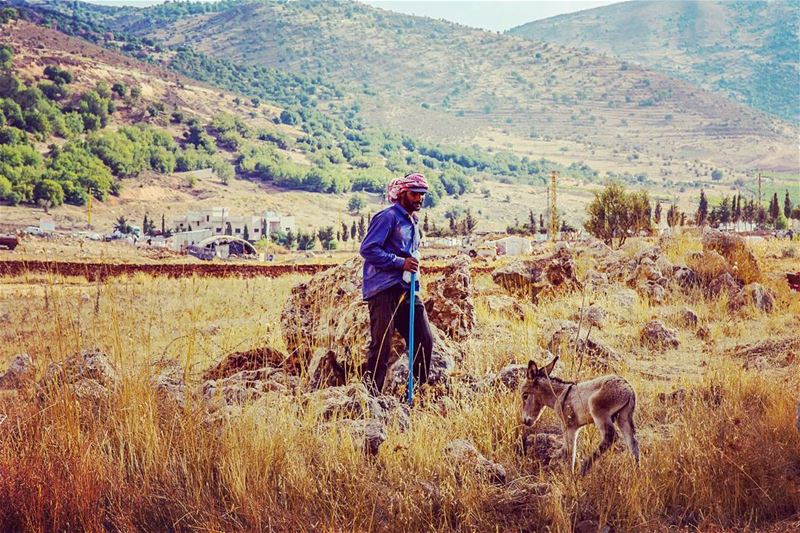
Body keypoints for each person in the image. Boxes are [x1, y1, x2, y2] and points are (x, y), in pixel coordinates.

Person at [359, 172, 434, 396]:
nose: (419, 199)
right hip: (382, 289)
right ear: (402, 194)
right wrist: (400, 262)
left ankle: (417, 393)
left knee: (424, 338)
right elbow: (368, 249)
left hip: (406, 288)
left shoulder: (413, 221)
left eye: (422, 195)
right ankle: (371, 398)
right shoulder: (387, 217)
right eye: (414, 194)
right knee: (381, 345)